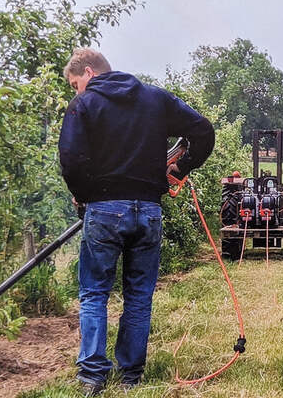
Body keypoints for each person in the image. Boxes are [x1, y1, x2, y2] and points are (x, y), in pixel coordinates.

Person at [58, 48, 214, 395]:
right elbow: (203, 130)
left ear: (89, 72)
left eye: (75, 84)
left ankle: (93, 376)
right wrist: (181, 168)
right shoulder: (155, 98)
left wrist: (84, 193)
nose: (76, 91)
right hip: (149, 211)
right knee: (139, 296)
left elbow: (69, 159)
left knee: (95, 292)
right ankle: (131, 375)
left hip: (104, 210)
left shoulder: (84, 105)